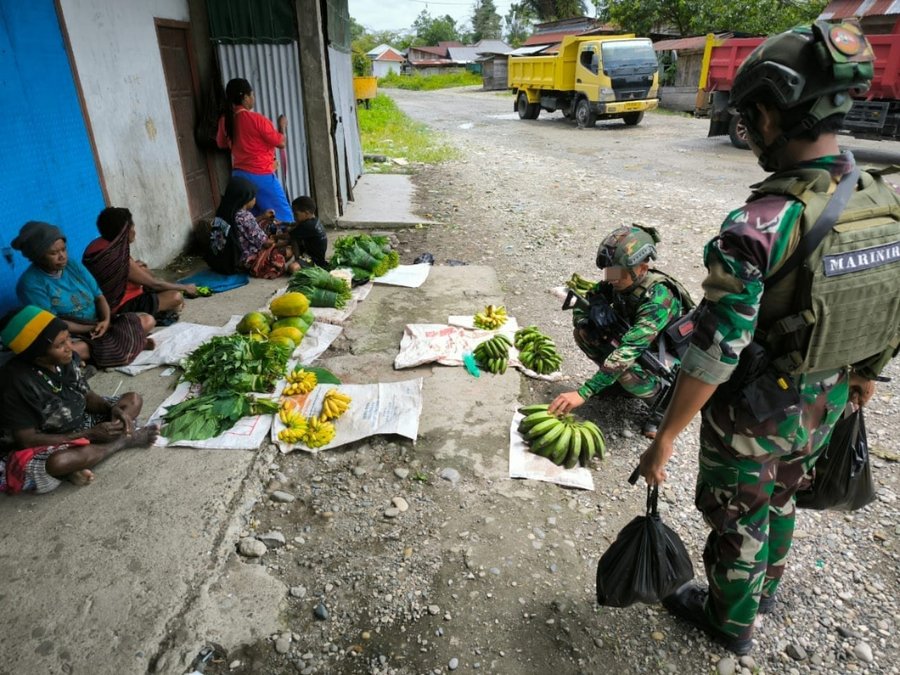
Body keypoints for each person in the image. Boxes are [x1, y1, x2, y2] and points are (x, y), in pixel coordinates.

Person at [638, 21, 900, 655]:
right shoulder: (879, 198)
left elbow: (714, 351)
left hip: (757, 410)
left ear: (769, 112)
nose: (750, 129)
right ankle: (767, 583)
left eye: (751, 115)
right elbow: (888, 301)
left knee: (737, 516)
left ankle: (730, 619)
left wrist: (666, 437)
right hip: (830, 395)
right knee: (781, 494)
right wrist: (866, 372)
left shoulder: (760, 224)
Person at [548, 225, 693, 438]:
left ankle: (664, 410)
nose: (612, 278)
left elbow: (627, 352)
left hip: (668, 366)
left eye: (620, 273)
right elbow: (584, 301)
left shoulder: (659, 299)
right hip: (639, 347)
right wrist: (586, 318)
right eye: (610, 271)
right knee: (586, 334)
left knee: (623, 368)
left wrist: (583, 392)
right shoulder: (617, 278)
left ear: (642, 268)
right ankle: (619, 385)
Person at [0, 305, 158, 494]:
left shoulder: (66, 358)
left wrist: (111, 409)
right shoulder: (15, 383)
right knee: (60, 462)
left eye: (68, 338)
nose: (69, 347)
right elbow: (26, 440)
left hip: (81, 420)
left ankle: (87, 457)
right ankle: (121, 442)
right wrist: (90, 434)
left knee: (133, 400)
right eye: (60, 345)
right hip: (50, 439)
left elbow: (86, 396)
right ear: (38, 355)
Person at [13, 221, 153, 368]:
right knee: (67, 350)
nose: (62, 257)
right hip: (71, 335)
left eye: (63, 250)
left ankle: (114, 348)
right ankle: (131, 343)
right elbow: (54, 323)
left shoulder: (72, 265)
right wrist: (93, 328)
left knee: (147, 320)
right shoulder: (30, 284)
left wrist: (105, 321)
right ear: (37, 256)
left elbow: (99, 296)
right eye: (54, 253)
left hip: (98, 324)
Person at [83, 207, 199, 325]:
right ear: (125, 231)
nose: (134, 231)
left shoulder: (97, 246)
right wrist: (185, 287)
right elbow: (155, 284)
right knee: (176, 297)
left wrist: (135, 268)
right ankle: (147, 314)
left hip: (104, 305)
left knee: (144, 270)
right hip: (120, 306)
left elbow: (116, 273)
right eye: (132, 227)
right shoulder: (118, 258)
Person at [216, 77, 292, 222]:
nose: (253, 98)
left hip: (239, 177)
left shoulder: (225, 120)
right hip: (261, 175)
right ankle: (292, 244)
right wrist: (282, 126)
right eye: (252, 95)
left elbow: (221, 144)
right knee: (284, 216)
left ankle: (263, 244)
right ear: (245, 98)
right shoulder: (257, 120)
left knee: (254, 220)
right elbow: (281, 142)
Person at [213, 176, 298, 278]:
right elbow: (266, 243)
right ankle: (258, 266)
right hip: (241, 260)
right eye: (253, 197)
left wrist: (263, 217)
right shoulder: (245, 217)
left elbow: (243, 226)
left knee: (267, 223)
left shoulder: (224, 210)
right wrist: (286, 241)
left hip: (223, 258)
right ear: (245, 199)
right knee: (288, 252)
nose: (255, 200)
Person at [287, 195, 329, 268]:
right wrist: (283, 223)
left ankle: (300, 261)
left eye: (296, 214)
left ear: (306, 213)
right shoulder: (314, 220)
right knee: (290, 245)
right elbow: (295, 225)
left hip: (313, 259)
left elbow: (288, 235)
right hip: (307, 252)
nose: (294, 217)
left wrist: (274, 237)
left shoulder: (308, 225)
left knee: (292, 268)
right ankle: (299, 259)